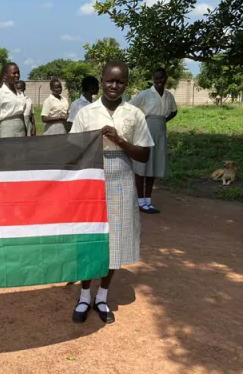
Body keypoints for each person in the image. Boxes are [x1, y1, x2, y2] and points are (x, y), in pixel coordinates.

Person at [70, 61, 154, 324]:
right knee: (89, 238)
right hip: (93, 176)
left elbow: (144, 153)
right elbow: (73, 147)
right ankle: (84, 296)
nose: (114, 86)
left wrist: (119, 140)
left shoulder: (134, 114)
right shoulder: (86, 112)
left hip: (121, 177)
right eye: (109, 81)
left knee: (116, 239)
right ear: (102, 80)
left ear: (126, 84)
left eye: (120, 82)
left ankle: (102, 296)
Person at [129, 68, 178, 214]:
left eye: (162, 78)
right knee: (142, 166)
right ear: (153, 78)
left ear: (166, 78)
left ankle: (148, 201)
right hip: (146, 130)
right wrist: (141, 122)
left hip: (160, 132)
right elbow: (130, 106)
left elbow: (174, 111)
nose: (159, 81)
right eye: (156, 78)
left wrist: (163, 121)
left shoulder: (169, 95)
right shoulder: (146, 94)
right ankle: (140, 201)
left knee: (153, 166)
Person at [0, 62, 27, 138]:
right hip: (7, 130)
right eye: (14, 73)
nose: (17, 75)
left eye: (18, 73)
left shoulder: (20, 94)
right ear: (5, 75)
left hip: (21, 128)